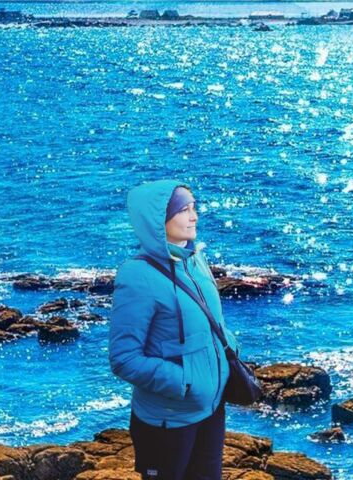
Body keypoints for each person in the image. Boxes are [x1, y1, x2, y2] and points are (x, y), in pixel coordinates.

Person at [109, 179, 239, 480]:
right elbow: (123, 358)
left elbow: (212, 325)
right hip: (167, 421)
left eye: (194, 207)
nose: (194, 217)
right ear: (158, 219)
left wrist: (228, 350)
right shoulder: (137, 276)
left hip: (210, 408)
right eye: (184, 210)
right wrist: (184, 383)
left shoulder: (195, 260)